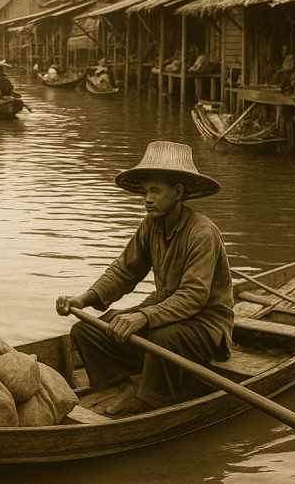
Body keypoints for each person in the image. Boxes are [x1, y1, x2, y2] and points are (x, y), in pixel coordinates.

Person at [55, 141, 233, 416]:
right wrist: (83, 298)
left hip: (205, 326)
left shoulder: (202, 233)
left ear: (177, 193)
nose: (147, 198)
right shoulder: (151, 225)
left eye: (155, 191)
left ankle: (153, 397)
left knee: (160, 336)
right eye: (145, 191)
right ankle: (125, 383)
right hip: (165, 314)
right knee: (87, 330)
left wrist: (144, 316)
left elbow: (193, 297)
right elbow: (125, 271)